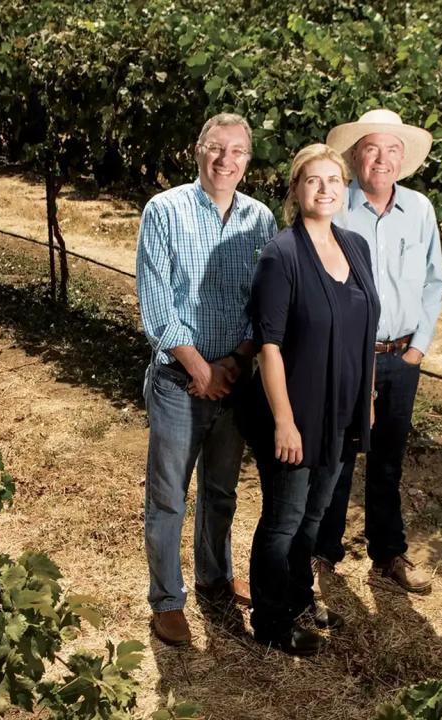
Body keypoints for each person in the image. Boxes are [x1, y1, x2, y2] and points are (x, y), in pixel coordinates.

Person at [136, 112, 278, 646]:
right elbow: (156, 303)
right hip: (179, 380)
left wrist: (236, 364)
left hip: (234, 378)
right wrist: (200, 368)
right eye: (216, 148)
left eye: (237, 151)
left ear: (248, 159)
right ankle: (166, 600)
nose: (226, 160)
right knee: (169, 496)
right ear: (198, 150)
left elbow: (261, 301)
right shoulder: (165, 210)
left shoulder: (259, 220)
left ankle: (213, 579)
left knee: (220, 493)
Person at [243, 143, 379, 655]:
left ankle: (300, 600)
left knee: (315, 519)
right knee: (283, 520)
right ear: (296, 190)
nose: (325, 189)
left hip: (341, 412)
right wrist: (284, 421)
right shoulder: (282, 254)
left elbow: (364, 330)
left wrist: (364, 396)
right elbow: (269, 346)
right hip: (296, 414)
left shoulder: (356, 247)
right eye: (312, 180)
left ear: (345, 189)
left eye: (333, 181)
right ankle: (271, 623)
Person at [315, 109, 442, 595]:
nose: (382, 159)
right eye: (372, 148)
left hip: (400, 356)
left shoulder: (420, 210)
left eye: (392, 150)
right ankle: (323, 552)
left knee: (389, 457)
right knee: (339, 455)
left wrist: (418, 350)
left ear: (403, 159)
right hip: (349, 356)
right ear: (355, 156)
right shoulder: (336, 207)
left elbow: (435, 282)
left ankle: (388, 552)